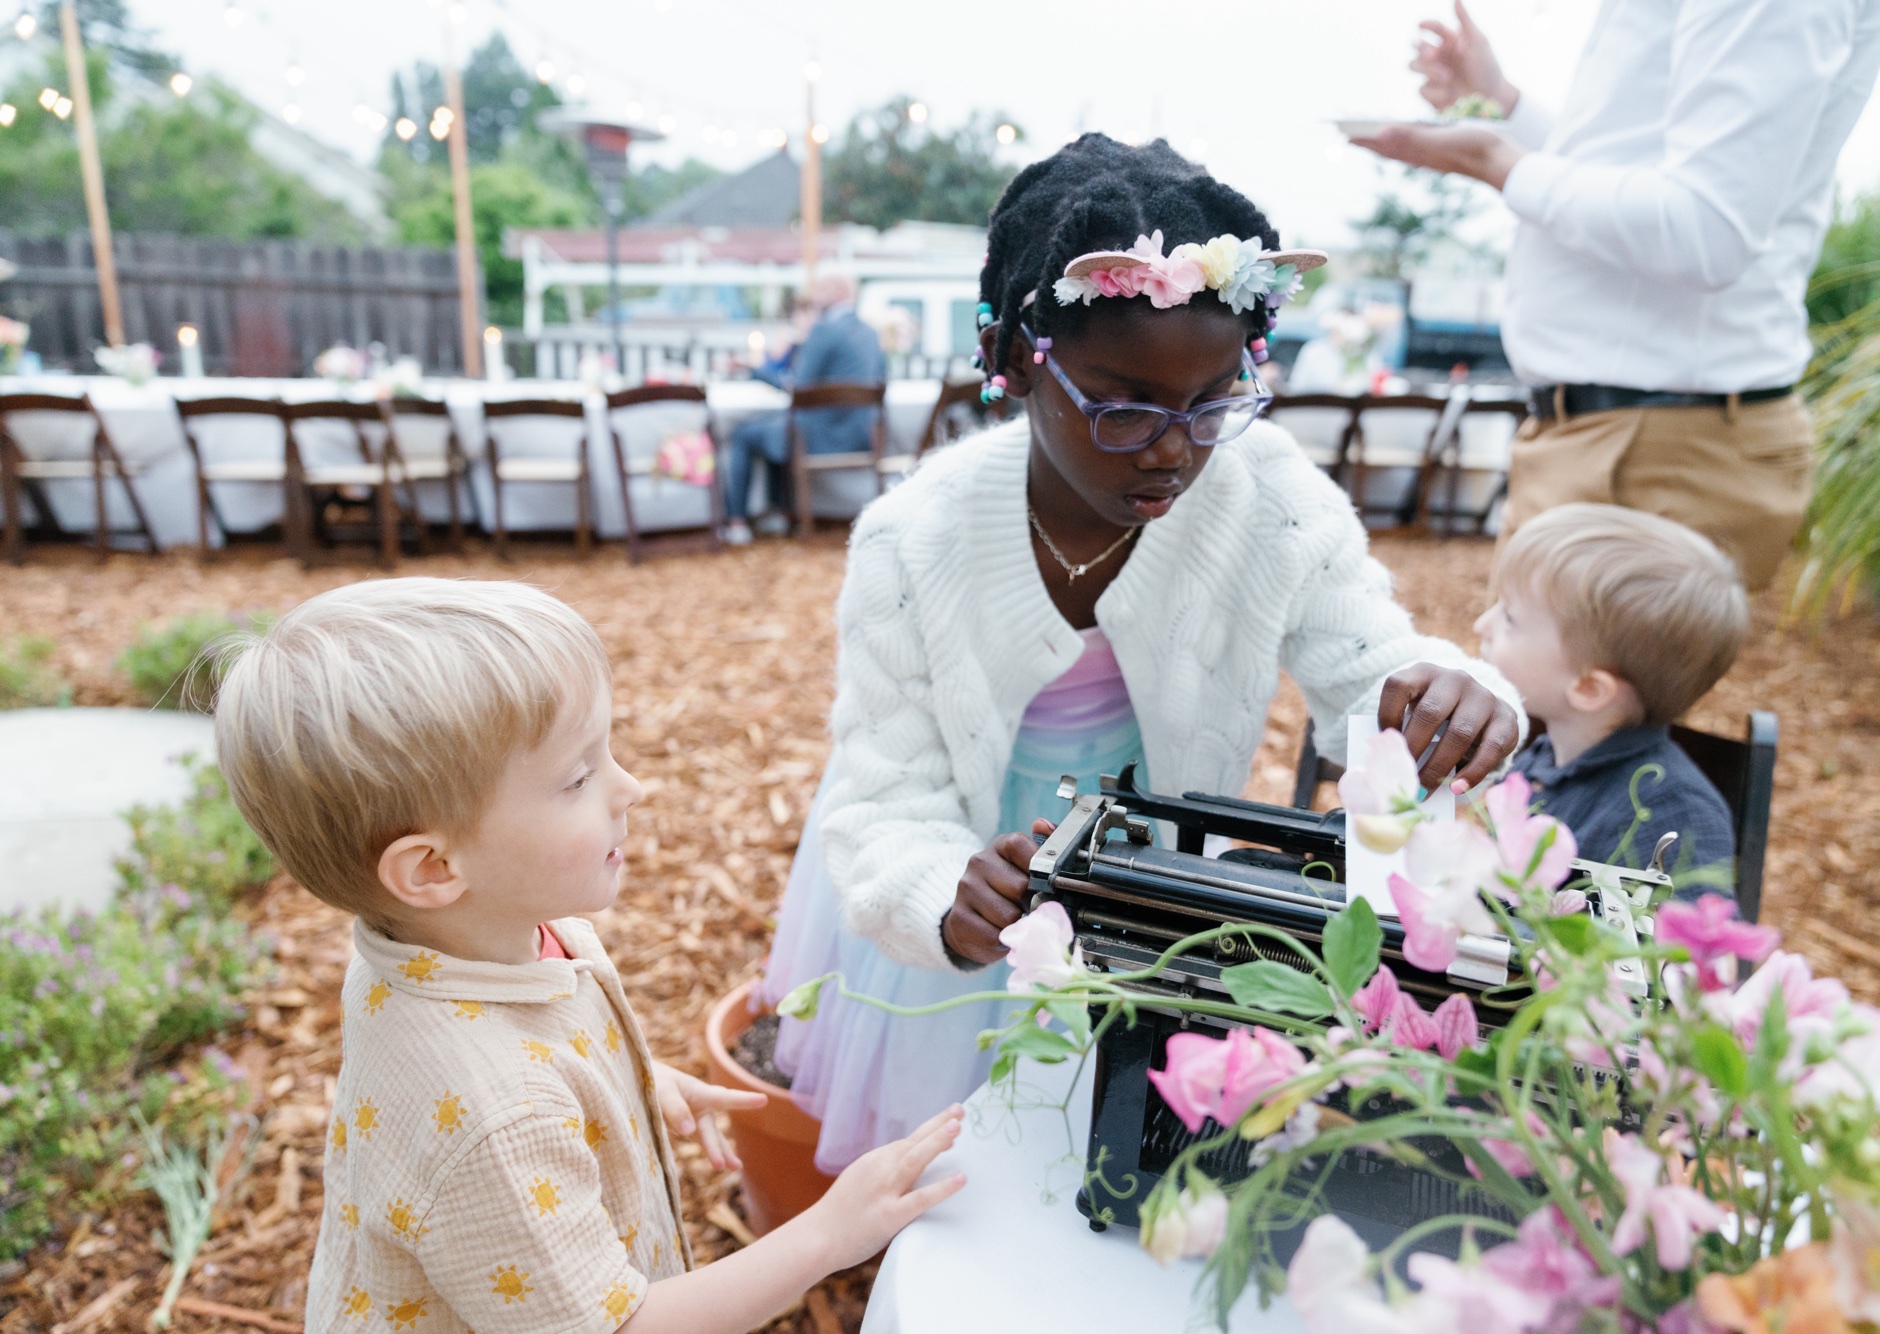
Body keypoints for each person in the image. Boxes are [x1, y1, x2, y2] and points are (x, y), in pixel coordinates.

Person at [761, 135, 1525, 1174]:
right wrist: (946, 891)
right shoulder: (914, 540)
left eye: (1212, 402)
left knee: (1109, 1142)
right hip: (967, 867)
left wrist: (1454, 693)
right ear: (1019, 368)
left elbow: (1370, 669)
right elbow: (884, 792)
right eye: (1123, 408)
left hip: (1147, 884)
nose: (1174, 446)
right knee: (954, 1162)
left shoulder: (1265, 495)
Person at [211, 578, 965, 1334]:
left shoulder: (442, 943)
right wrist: (829, 1233)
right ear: (432, 870)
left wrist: (629, 1080)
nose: (629, 787)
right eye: (577, 777)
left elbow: (520, 1055)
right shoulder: (498, 1120)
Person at [1352, 0, 1880, 591]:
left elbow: (1705, 230)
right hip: (1634, 434)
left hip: (1651, 447)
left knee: (1543, 684)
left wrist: (1499, 162)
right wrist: (1503, 105)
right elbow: (1639, 163)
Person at [1475, 503, 1747, 885]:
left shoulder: (1673, 818)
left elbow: (1693, 943)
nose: (1481, 624)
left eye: (1510, 617)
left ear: (1588, 688)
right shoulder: (1543, 758)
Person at [723, 273, 886, 545]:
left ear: (837, 292)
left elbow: (797, 387)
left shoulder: (824, 330)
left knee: (744, 433)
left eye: (820, 288)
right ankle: (779, 512)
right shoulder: (869, 332)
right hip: (862, 434)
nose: (813, 295)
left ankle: (737, 521)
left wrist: (753, 370)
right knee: (772, 426)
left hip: (817, 438)